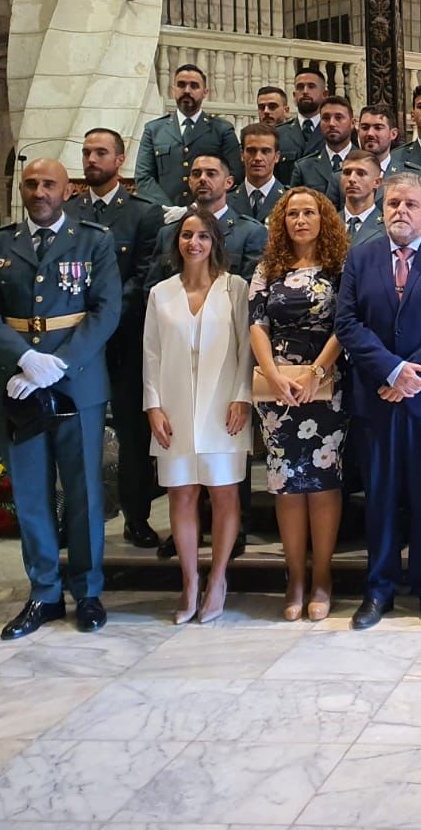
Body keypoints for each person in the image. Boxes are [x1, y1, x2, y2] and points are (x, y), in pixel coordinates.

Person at [0, 158, 122, 639]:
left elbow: (106, 310)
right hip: (18, 383)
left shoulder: (93, 241)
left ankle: (88, 591)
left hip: (77, 381)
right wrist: (25, 360)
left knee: (83, 492)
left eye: (49, 184)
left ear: (67, 190)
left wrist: (60, 364)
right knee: (32, 493)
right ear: (22, 188)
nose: (39, 192)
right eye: (31, 184)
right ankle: (44, 593)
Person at [335, 173, 421, 630]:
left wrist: (411, 374)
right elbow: (347, 322)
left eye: (411, 204)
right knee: (379, 495)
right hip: (377, 398)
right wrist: (391, 370)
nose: (401, 210)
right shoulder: (361, 257)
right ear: (382, 209)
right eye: (394, 202)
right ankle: (378, 589)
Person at [142, 209, 252, 623]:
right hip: (173, 408)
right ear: (177, 242)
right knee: (182, 494)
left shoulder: (234, 288)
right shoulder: (161, 293)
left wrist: (242, 397)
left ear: (215, 242)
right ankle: (189, 582)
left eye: (203, 236)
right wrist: (153, 405)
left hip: (223, 407)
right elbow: (151, 353)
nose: (194, 243)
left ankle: (218, 578)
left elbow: (246, 349)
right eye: (187, 235)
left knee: (223, 493)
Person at [249, 187, 349, 621]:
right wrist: (273, 375)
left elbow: (346, 323)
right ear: (282, 221)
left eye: (309, 212)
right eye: (293, 213)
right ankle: (294, 579)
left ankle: (322, 577)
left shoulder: (339, 267)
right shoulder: (268, 268)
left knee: (323, 482)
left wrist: (317, 373)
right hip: (277, 391)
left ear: (323, 219)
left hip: (325, 387)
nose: (301, 220)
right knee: (285, 484)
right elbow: (256, 323)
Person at [69, 128, 164, 550]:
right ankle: (76, 517)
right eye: (87, 152)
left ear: (120, 160)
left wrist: (102, 320)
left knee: (131, 433)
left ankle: (136, 517)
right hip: (76, 344)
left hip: (124, 340)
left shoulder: (142, 214)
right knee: (76, 433)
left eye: (100, 152)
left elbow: (143, 276)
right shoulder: (68, 212)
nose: (91, 159)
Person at [134, 64, 243, 206]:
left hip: (207, 213)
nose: (187, 90)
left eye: (194, 86)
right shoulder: (154, 130)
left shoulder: (222, 130)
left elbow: (235, 176)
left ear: (205, 92)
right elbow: (144, 177)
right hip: (164, 214)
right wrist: (167, 209)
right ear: (173, 90)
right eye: (181, 85)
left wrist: (198, 207)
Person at [148, 155, 267, 284]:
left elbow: (253, 289)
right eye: (196, 174)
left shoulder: (250, 233)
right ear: (190, 182)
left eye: (211, 174)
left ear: (228, 182)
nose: (202, 179)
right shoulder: (168, 233)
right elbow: (152, 288)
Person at [291, 95, 357, 208]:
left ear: (352, 123)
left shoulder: (367, 163)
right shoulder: (304, 168)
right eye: (326, 118)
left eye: (338, 118)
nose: (331, 123)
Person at [273, 67, 328, 184]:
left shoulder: (333, 132)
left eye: (311, 86)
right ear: (294, 95)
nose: (305, 91)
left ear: (324, 94)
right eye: (300, 87)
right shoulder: (278, 134)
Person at [229, 123, 286, 223]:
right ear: (242, 155)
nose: (258, 158)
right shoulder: (225, 201)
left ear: (277, 156)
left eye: (265, 151)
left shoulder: (289, 199)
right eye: (251, 151)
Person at [340, 151, 385, 246]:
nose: (351, 179)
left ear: (377, 182)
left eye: (361, 173)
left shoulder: (387, 227)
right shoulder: (327, 222)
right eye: (347, 173)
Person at [357, 102, 400, 175]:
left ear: (393, 134)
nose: (370, 133)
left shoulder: (408, 175)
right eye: (365, 128)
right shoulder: (342, 176)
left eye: (378, 128)